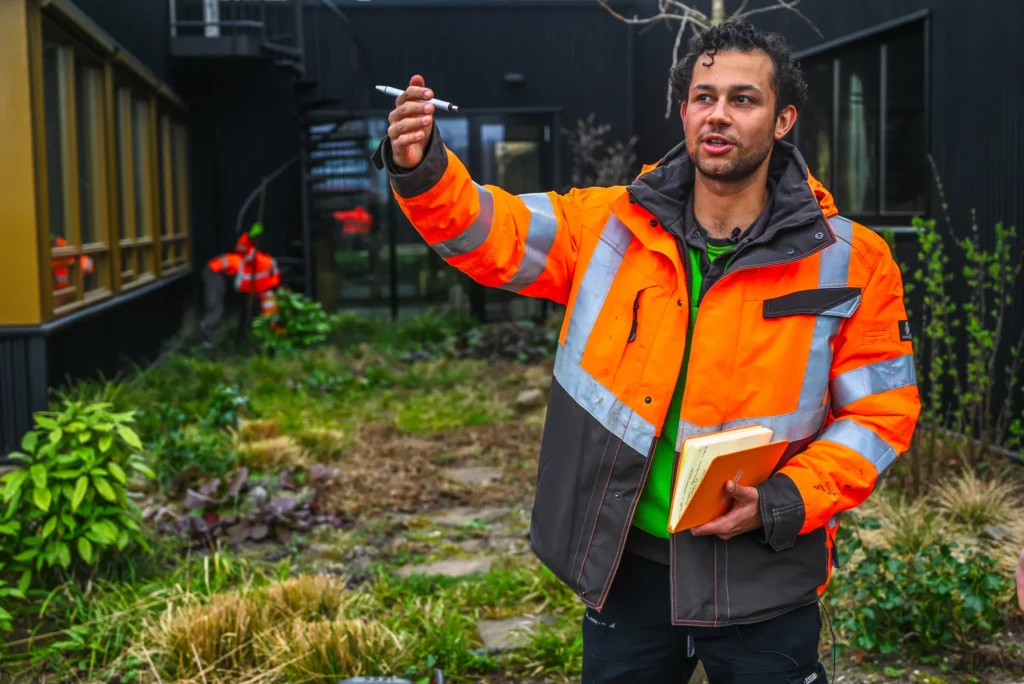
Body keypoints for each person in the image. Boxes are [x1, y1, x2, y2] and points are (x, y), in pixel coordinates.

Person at [372, 20, 921, 683]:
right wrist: (422, 165)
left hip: (765, 573)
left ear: (783, 120)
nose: (717, 114)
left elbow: (881, 414)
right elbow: (491, 231)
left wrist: (786, 498)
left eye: (743, 99)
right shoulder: (608, 226)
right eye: (703, 96)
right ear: (685, 109)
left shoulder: (851, 261)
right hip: (627, 568)